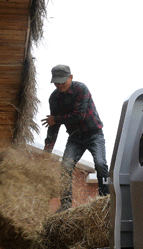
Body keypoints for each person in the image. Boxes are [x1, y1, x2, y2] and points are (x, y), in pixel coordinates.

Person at [41, 64, 109, 211]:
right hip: (75, 138)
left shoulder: (81, 89)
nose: (59, 85)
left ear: (71, 77)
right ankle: (65, 205)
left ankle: (105, 200)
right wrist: (47, 151)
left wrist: (56, 119)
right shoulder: (54, 98)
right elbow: (53, 126)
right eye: (56, 82)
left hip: (94, 134)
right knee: (65, 167)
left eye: (62, 81)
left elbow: (79, 115)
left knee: (100, 163)